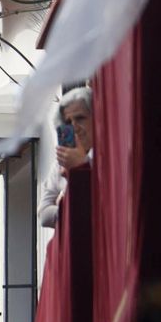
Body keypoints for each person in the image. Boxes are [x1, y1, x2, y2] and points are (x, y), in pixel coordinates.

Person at [39, 85, 94, 227]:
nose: (75, 126)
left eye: (80, 118)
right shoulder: (60, 164)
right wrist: (66, 209)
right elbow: (44, 214)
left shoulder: (107, 158)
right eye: (68, 122)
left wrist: (62, 200)